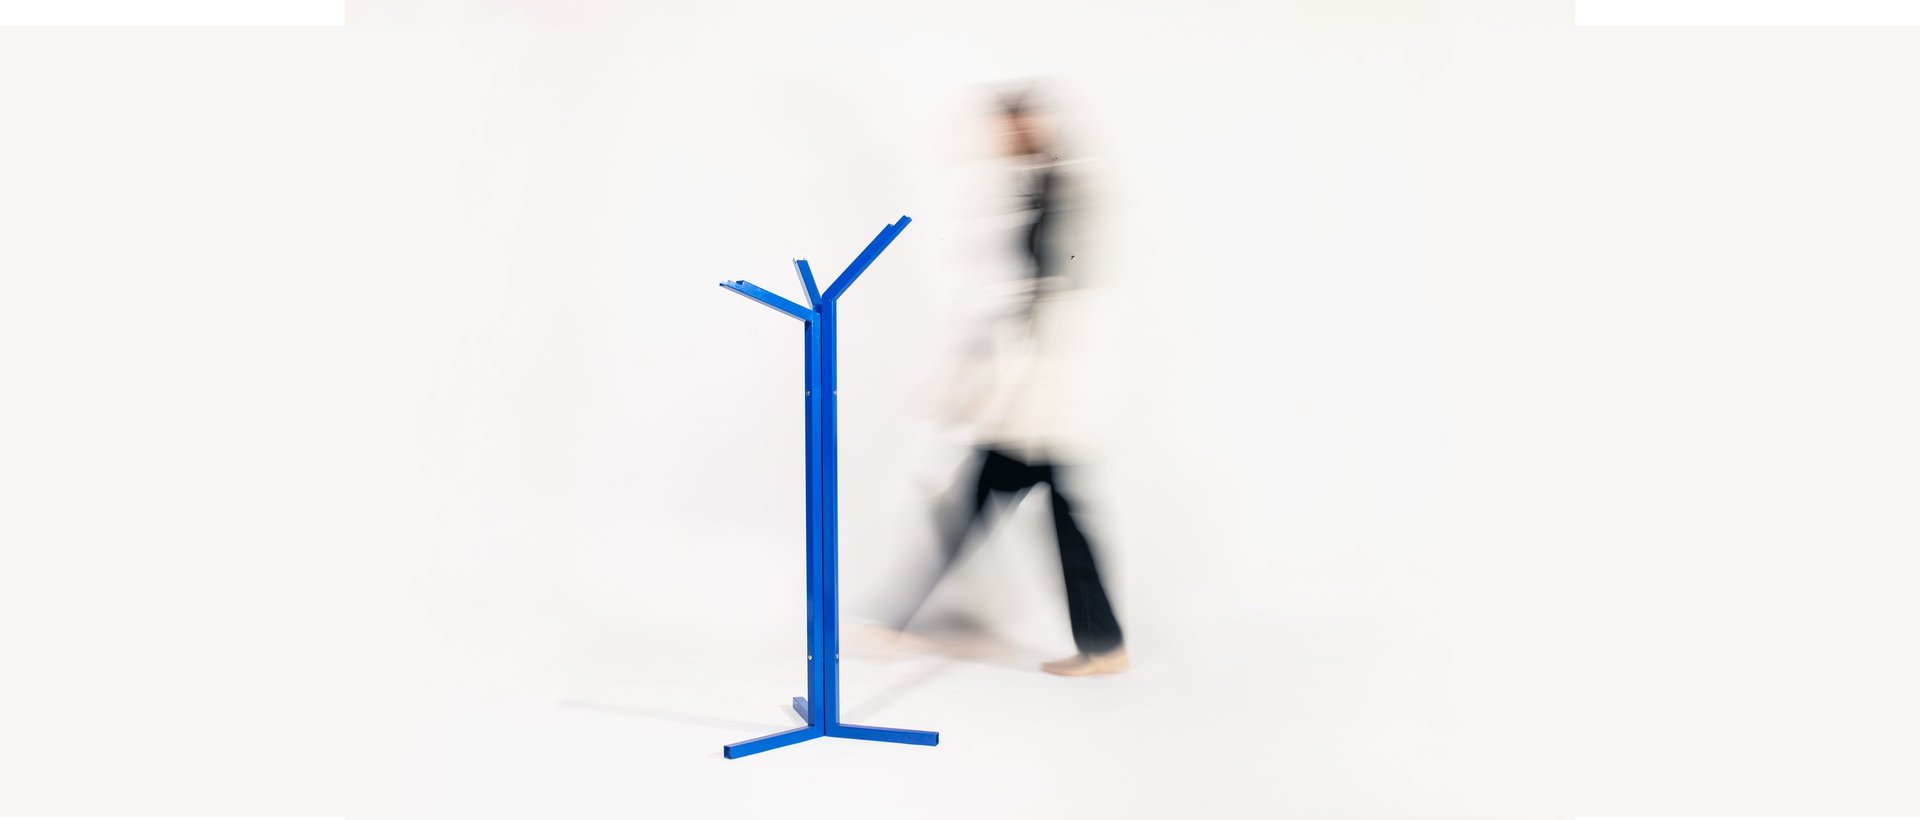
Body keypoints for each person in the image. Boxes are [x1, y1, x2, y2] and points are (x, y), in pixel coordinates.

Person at [882, 87, 1127, 677]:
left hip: (1038, 384)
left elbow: (1057, 285)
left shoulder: (1060, 188)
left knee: (998, 505)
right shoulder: (1039, 186)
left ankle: (1092, 644)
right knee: (981, 502)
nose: (1005, 137)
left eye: (1014, 125)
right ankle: (1088, 642)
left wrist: (1000, 372)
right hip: (1031, 382)